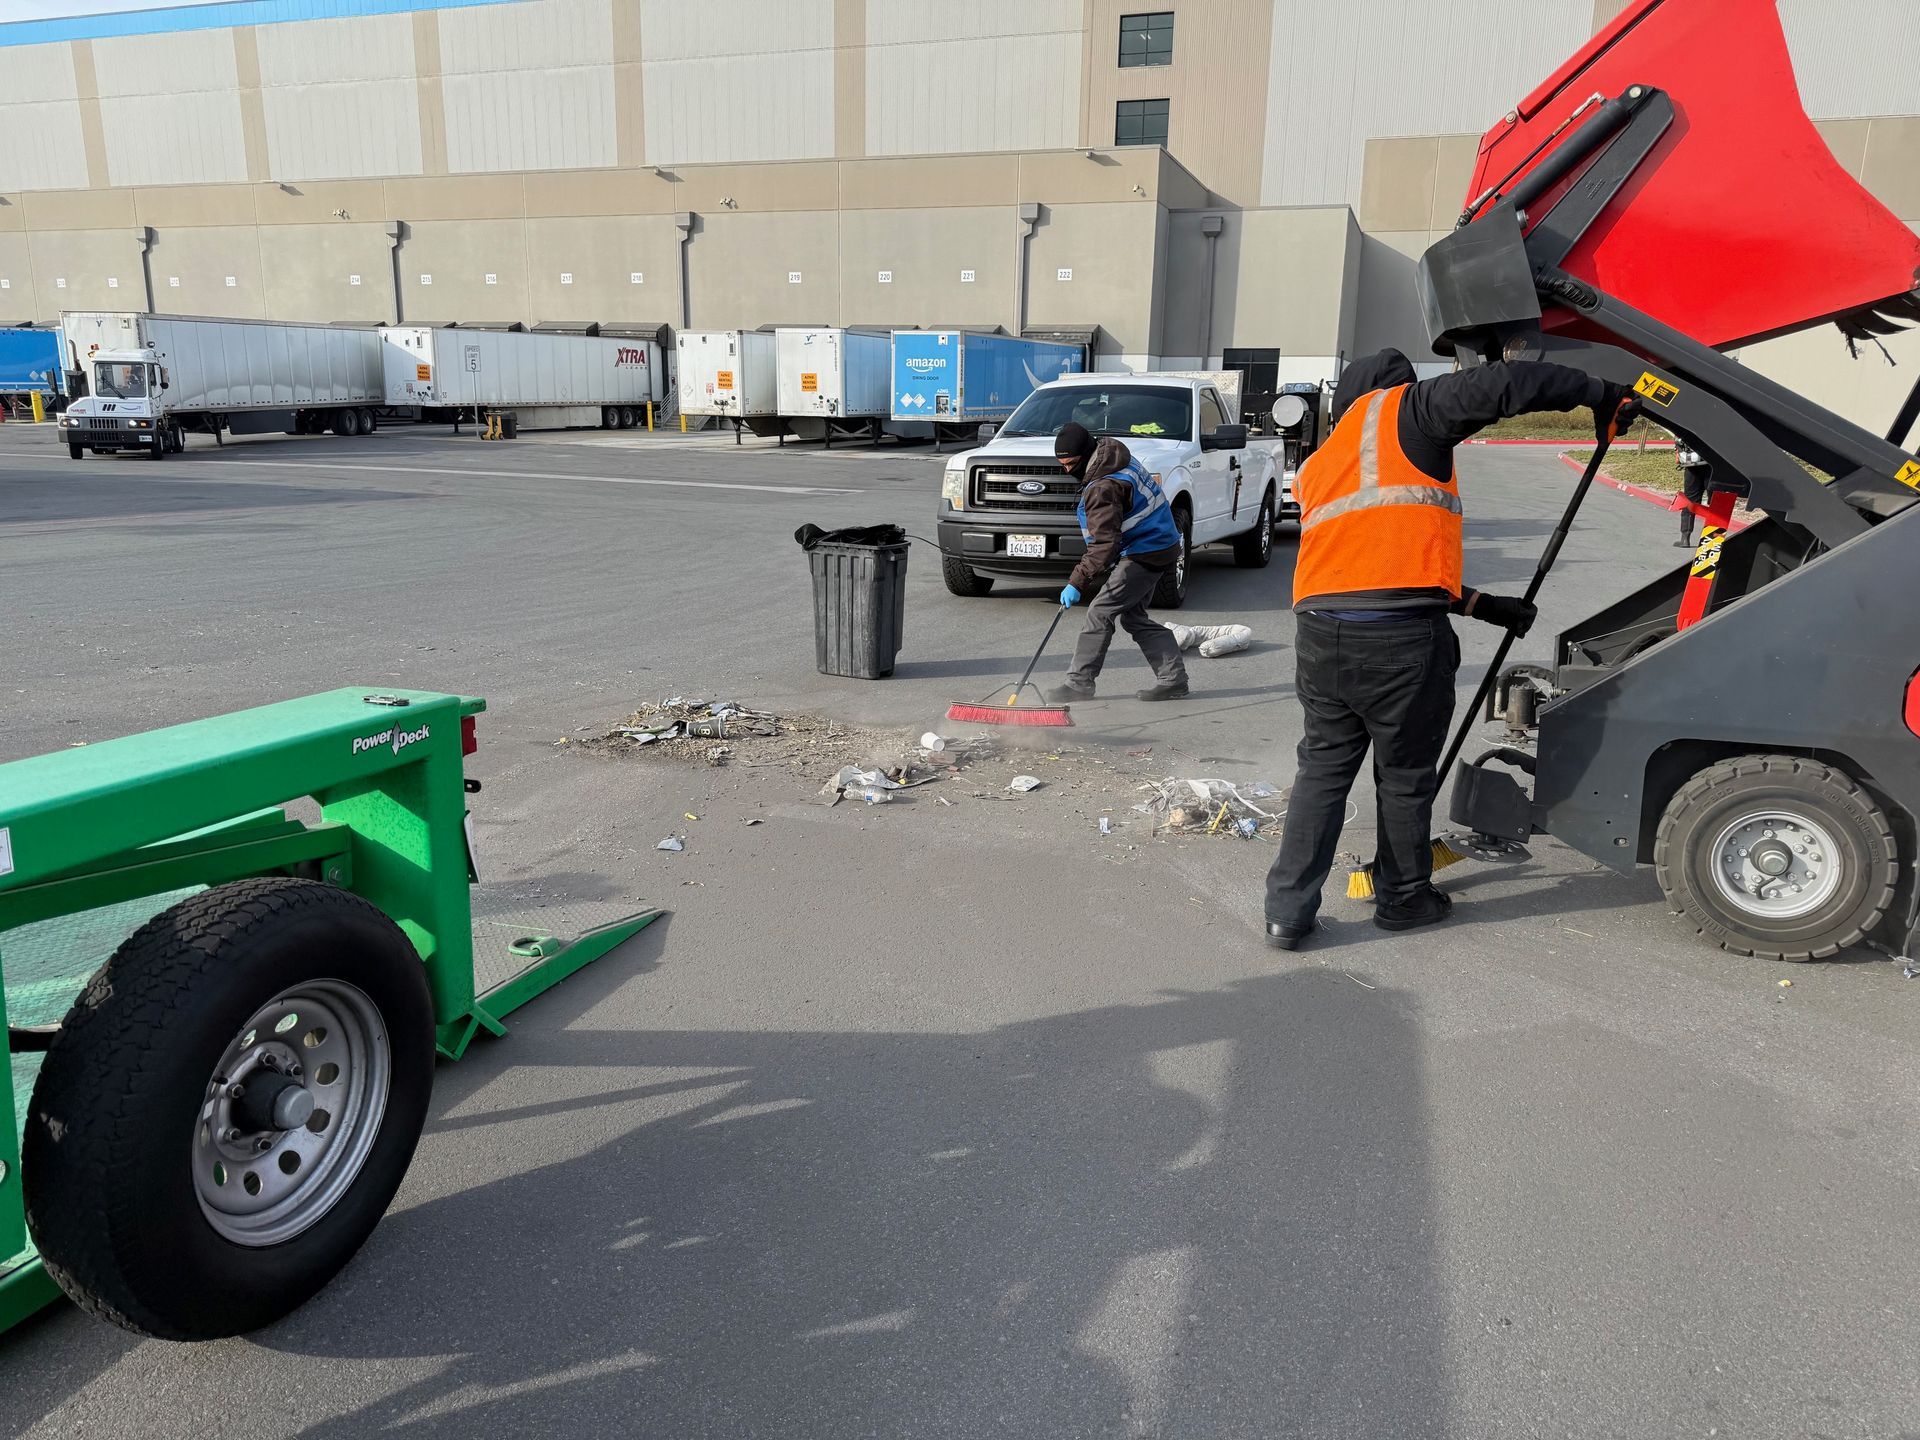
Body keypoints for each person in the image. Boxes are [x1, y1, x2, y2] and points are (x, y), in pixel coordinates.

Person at [1264, 348, 1634, 949]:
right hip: (1400, 643)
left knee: (1323, 773)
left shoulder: (1322, 461)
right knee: (1404, 777)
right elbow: (1511, 381)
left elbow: (1378, 564)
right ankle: (1404, 899)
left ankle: (1287, 912)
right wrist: (1600, 392)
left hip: (1321, 639)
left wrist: (1486, 606)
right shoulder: (1409, 409)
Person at [1047, 422, 1190, 702]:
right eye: (1062, 465)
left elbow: (1104, 544)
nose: (1067, 470)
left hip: (1146, 550)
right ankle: (1173, 679)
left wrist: (1077, 581)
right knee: (1134, 617)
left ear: (1086, 454)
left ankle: (1079, 684)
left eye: (1071, 464)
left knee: (1100, 612)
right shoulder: (1112, 456)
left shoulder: (1104, 486)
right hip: (1159, 542)